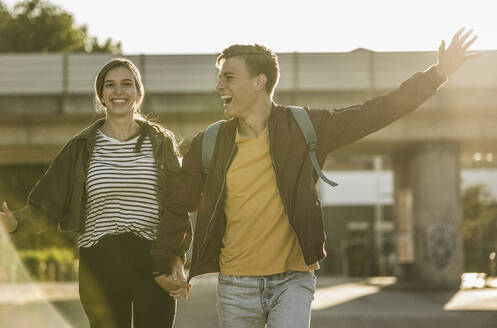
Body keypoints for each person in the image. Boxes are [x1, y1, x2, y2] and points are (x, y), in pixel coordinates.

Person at [150, 28, 478, 328]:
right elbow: (178, 203)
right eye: (219, 78)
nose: (219, 85)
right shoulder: (211, 142)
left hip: (293, 281)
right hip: (236, 285)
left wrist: (436, 74)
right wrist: (170, 259)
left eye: (229, 77)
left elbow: (376, 111)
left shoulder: (305, 126)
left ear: (259, 81)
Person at [0, 58, 191, 328]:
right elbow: (46, 205)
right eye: (110, 85)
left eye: (127, 84)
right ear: (101, 95)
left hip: (152, 259)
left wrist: (177, 260)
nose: (118, 91)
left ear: (138, 92)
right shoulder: (79, 148)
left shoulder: (160, 143)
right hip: (100, 260)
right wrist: (15, 222)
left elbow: (177, 207)